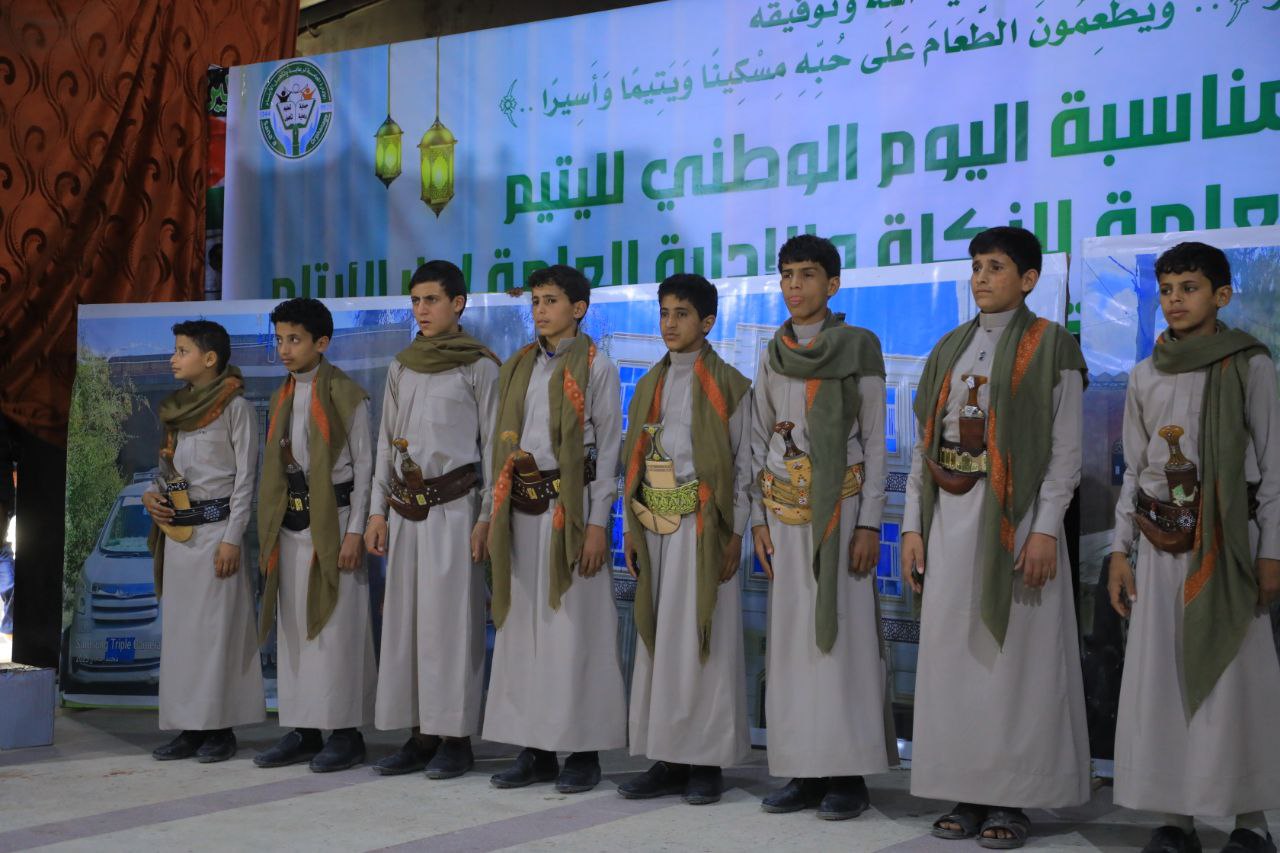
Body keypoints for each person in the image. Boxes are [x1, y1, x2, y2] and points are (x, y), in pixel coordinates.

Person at [901, 226, 1089, 848]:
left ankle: (1013, 798)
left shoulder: (1053, 345)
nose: (981, 277)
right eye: (977, 265)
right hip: (950, 524)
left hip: (1020, 525)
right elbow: (925, 447)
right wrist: (912, 527)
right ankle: (967, 791)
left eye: (996, 267)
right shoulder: (949, 347)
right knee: (956, 660)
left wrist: (1045, 530)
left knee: (1016, 665)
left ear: (1029, 279)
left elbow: (1065, 452)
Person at [1107, 241, 1280, 853]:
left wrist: (1271, 552)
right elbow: (1134, 471)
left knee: (1235, 678)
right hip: (1159, 546)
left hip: (1228, 545)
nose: (1175, 300)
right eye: (1167, 289)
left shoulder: (1249, 366)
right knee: (1163, 679)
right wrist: (1120, 551)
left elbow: (1274, 469)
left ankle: (1249, 821)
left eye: (1190, 288)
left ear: (1221, 295)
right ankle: (1174, 819)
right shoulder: (1144, 373)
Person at [749, 234, 897, 821]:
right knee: (792, 643)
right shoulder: (773, 351)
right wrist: (758, 520)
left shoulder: (858, 345)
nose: (795, 286)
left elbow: (876, 442)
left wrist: (871, 525)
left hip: (843, 513)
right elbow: (758, 438)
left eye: (807, 275)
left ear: (832, 284)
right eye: (786, 275)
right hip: (785, 516)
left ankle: (848, 774)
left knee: (844, 642)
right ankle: (803, 769)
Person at [483, 264, 626, 794]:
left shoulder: (598, 367)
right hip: (520, 509)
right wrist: (487, 516)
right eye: (536, 301)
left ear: (579, 309)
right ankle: (535, 748)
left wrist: (598, 524)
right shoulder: (519, 366)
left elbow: (608, 451)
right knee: (524, 633)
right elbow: (497, 448)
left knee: (575, 631)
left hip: (572, 510)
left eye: (551, 301)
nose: (540, 310)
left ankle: (583, 751)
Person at [618, 273, 753, 806]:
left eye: (682, 314)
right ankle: (667, 756)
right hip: (654, 524)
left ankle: (705, 762)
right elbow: (633, 463)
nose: (670, 324)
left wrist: (735, 533)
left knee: (703, 643)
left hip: (703, 526)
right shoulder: (648, 384)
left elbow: (743, 468)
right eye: (664, 313)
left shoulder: (731, 386)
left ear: (708, 321)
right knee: (660, 643)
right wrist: (631, 527)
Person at [366, 260, 499, 779]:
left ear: (457, 303)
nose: (422, 310)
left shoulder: (478, 366)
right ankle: (418, 734)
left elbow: (494, 447)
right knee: (406, 624)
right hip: (404, 512)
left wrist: (487, 517)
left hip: (454, 508)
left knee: (451, 626)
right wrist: (376, 512)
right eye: (416, 301)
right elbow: (385, 442)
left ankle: (455, 738)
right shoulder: (402, 366)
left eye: (432, 300)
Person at [254, 298, 376, 772]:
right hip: (291, 524)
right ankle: (303, 730)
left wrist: (356, 530)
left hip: (336, 524)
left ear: (321, 343)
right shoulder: (281, 396)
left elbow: (364, 468)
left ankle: (346, 733)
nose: (285, 349)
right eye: (279, 339)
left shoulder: (347, 395)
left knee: (336, 632)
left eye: (295, 340)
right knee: (295, 631)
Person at [143, 320, 264, 762]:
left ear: (209, 358)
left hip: (217, 534)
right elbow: (168, 471)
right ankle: (188, 728)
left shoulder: (236, 408)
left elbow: (246, 480)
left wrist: (233, 538)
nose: (173, 358)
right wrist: (151, 494)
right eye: (175, 350)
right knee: (183, 638)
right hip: (180, 536)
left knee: (217, 636)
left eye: (182, 351)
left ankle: (220, 729)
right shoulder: (176, 411)